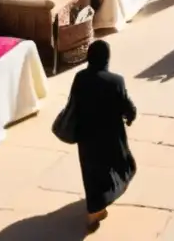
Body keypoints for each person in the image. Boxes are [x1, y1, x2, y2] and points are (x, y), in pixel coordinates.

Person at [68, 40, 137, 229]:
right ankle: (96, 209)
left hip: (86, 136)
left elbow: (73, 104)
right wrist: (131, 116)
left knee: (91, 172)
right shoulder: (115, 81)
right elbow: (127, 106)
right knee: (119, 167)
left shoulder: (80, 77)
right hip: (110, 137)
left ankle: (94, 207)